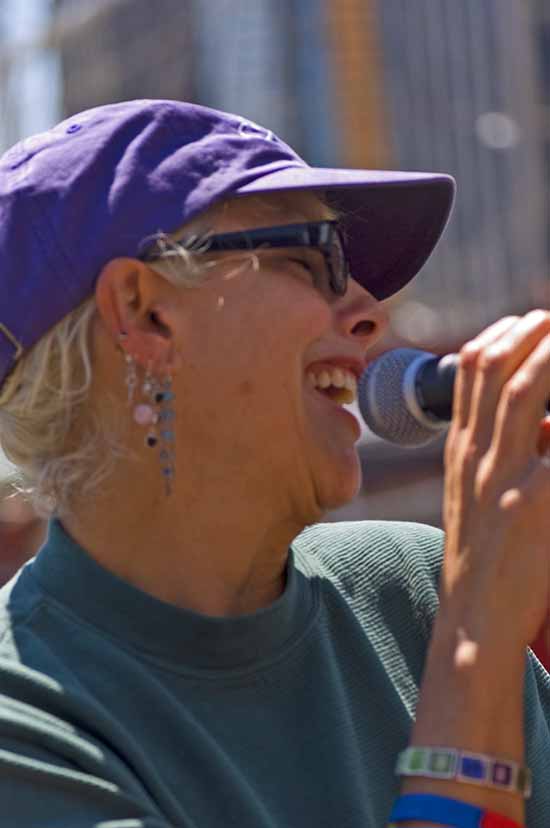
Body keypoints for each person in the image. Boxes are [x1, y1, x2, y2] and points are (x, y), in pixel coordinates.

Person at [0, 99, 548, 828]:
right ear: (145, 310)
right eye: (310, 257)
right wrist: (475, 646)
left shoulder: (417, 588)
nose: (367, 309)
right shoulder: (23, 722)